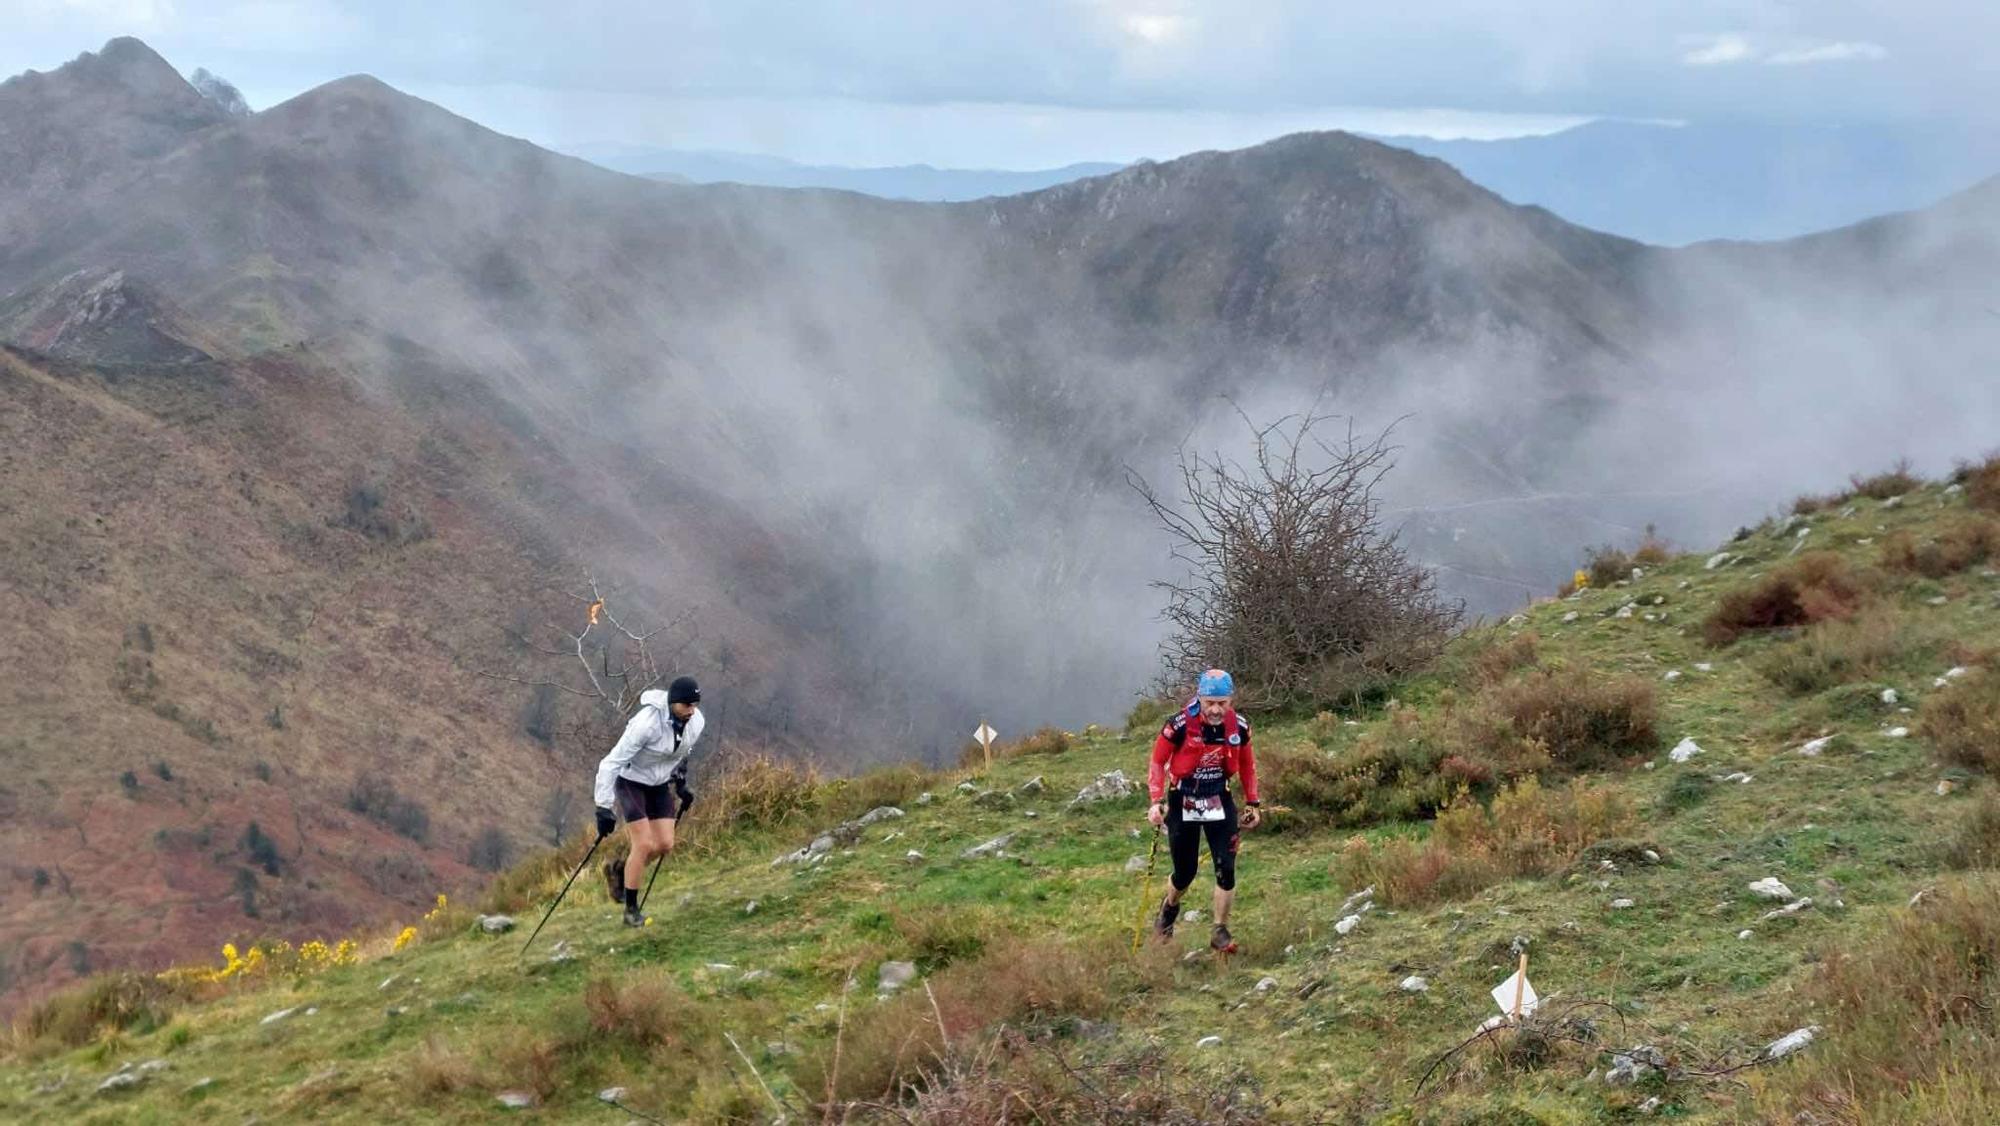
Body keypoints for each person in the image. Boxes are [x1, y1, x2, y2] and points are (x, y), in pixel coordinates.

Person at [1147, 668, 1261, 951]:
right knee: (1185, 872)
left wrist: (1253, 802)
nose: (1215, 709)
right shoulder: (1179, 724)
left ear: (1230, 700)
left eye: (1222, 703)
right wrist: (1155, 801)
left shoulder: (1240, 727)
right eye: (1210, 702)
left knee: (1226, 867)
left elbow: (1247, 765)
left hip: (1218, 798)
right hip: (1182, 798)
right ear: (1200, 698)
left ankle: (1219, 930)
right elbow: (1158, 761)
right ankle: (1169, 909)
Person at [593, 675, 705, 927]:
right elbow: (611, 763)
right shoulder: (647, 724)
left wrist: (681, 784)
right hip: (630, 782)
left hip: (658, 785)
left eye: (695, 704)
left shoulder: (696, 722)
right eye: (687, 705)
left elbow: (682, 754)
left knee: (664, 844)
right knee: (643, 844)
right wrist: (603, 806)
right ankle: (631, 911)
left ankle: (620, 871)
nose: (692, 710)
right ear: (673, 702)